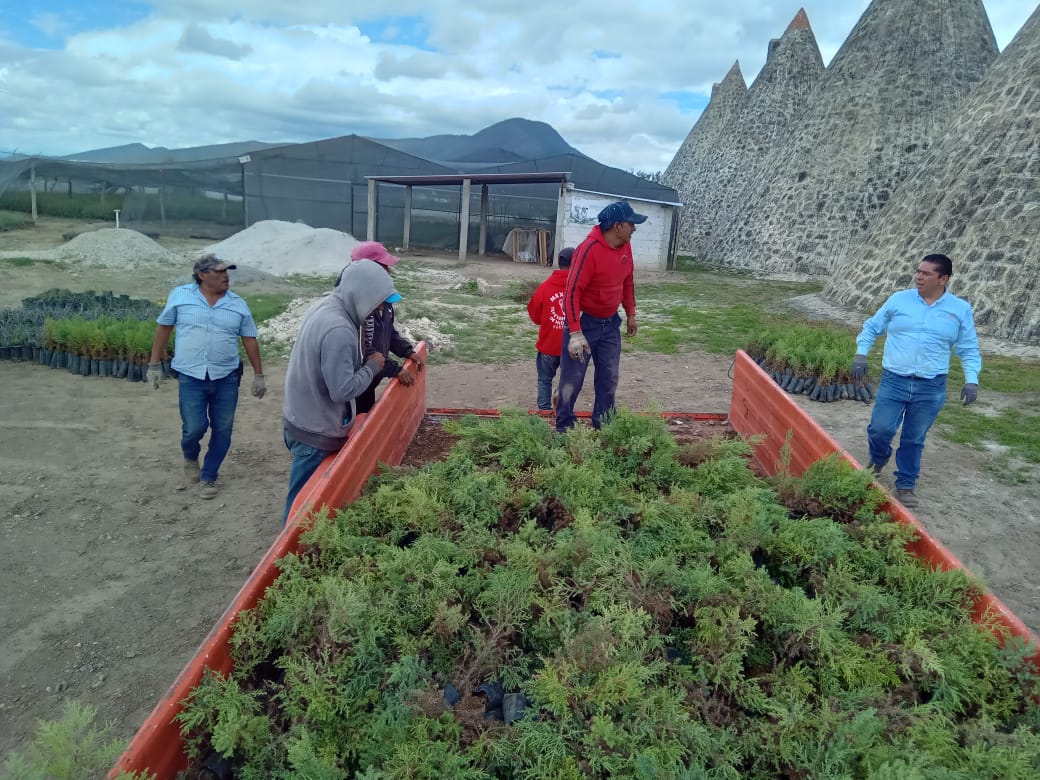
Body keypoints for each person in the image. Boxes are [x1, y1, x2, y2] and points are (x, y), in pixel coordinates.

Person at [851, 253, 981, 509]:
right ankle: (878, 459)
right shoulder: (899, 300)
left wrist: (972, 379)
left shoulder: (959, 309)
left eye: (926, 273)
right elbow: (872, 327)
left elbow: (968, 347)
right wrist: (860, 354)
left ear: (943, 279)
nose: (918, 277)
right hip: (894, 380)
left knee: (914, 437)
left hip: (930, 386)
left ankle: (906, 484)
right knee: (880, 429)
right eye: (918, 271)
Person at [281, 259, 401, 524]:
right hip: (314, 430)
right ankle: (286, 559)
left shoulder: (328, 306)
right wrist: (372, 367)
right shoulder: (339, 330)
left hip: (302, 416)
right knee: (301, 507)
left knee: (309, 499)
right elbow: (342, 390)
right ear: (364, 294)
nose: (380, 309)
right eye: (379, 302)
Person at [147, 253, 266, 500]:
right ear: (202, 275)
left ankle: (209, 476)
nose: (226, 276)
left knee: (223, 429)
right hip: (191, 376)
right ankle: (190, 457)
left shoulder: (238, 304)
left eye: (228, 271)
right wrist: (154, 364)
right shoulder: (181, 297)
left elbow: (249, 340)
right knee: (194, 427)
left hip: (227, 377)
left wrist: (259, 375)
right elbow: (164, 328)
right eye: (220, 272)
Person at [555, 201, 646, 432]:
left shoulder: (625, 247)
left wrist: (631, 313)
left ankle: (604, 424)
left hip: (610, 324)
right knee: (572, 380)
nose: (634, 228)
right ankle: (565, 427)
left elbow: (628, 281)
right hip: (584, 324)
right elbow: (572, 291)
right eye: (631, 224)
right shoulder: (588, 250)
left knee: (609, 378)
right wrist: (575, 333)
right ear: (617, 226)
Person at [338, 241, 424, 414]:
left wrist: (407, 351)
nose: (388, 272)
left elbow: (389, 332)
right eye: (384, 267)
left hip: (369, 382)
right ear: (366, 270)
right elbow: (363, 353)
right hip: (355, 387)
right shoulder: (355, 311)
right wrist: (394, 369)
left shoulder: (383, 300)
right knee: (355, 428)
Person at [527, 246, 574, 410]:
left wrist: (546, 321)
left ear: (559, 263)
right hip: (571, 345)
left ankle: (544, 411)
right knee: (568, 379)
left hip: (548, 344)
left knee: (544, 379)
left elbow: (534, 314)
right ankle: (561, 401)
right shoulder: (580, 287)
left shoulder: (544, 287)